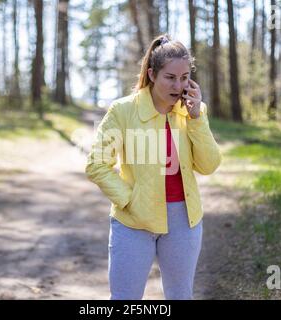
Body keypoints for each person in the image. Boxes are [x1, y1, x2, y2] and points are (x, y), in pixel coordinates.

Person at [85, 34, 222, 300]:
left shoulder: (193, 110)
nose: (178, 85)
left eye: (184, 77)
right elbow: (96, 164)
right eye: (170, 77)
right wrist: (129, 199)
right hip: (133, 221)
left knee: (180, 296)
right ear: (152, 74)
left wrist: (196, 119)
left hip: (184, 220)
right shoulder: (123, 111)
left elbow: (208, 166)